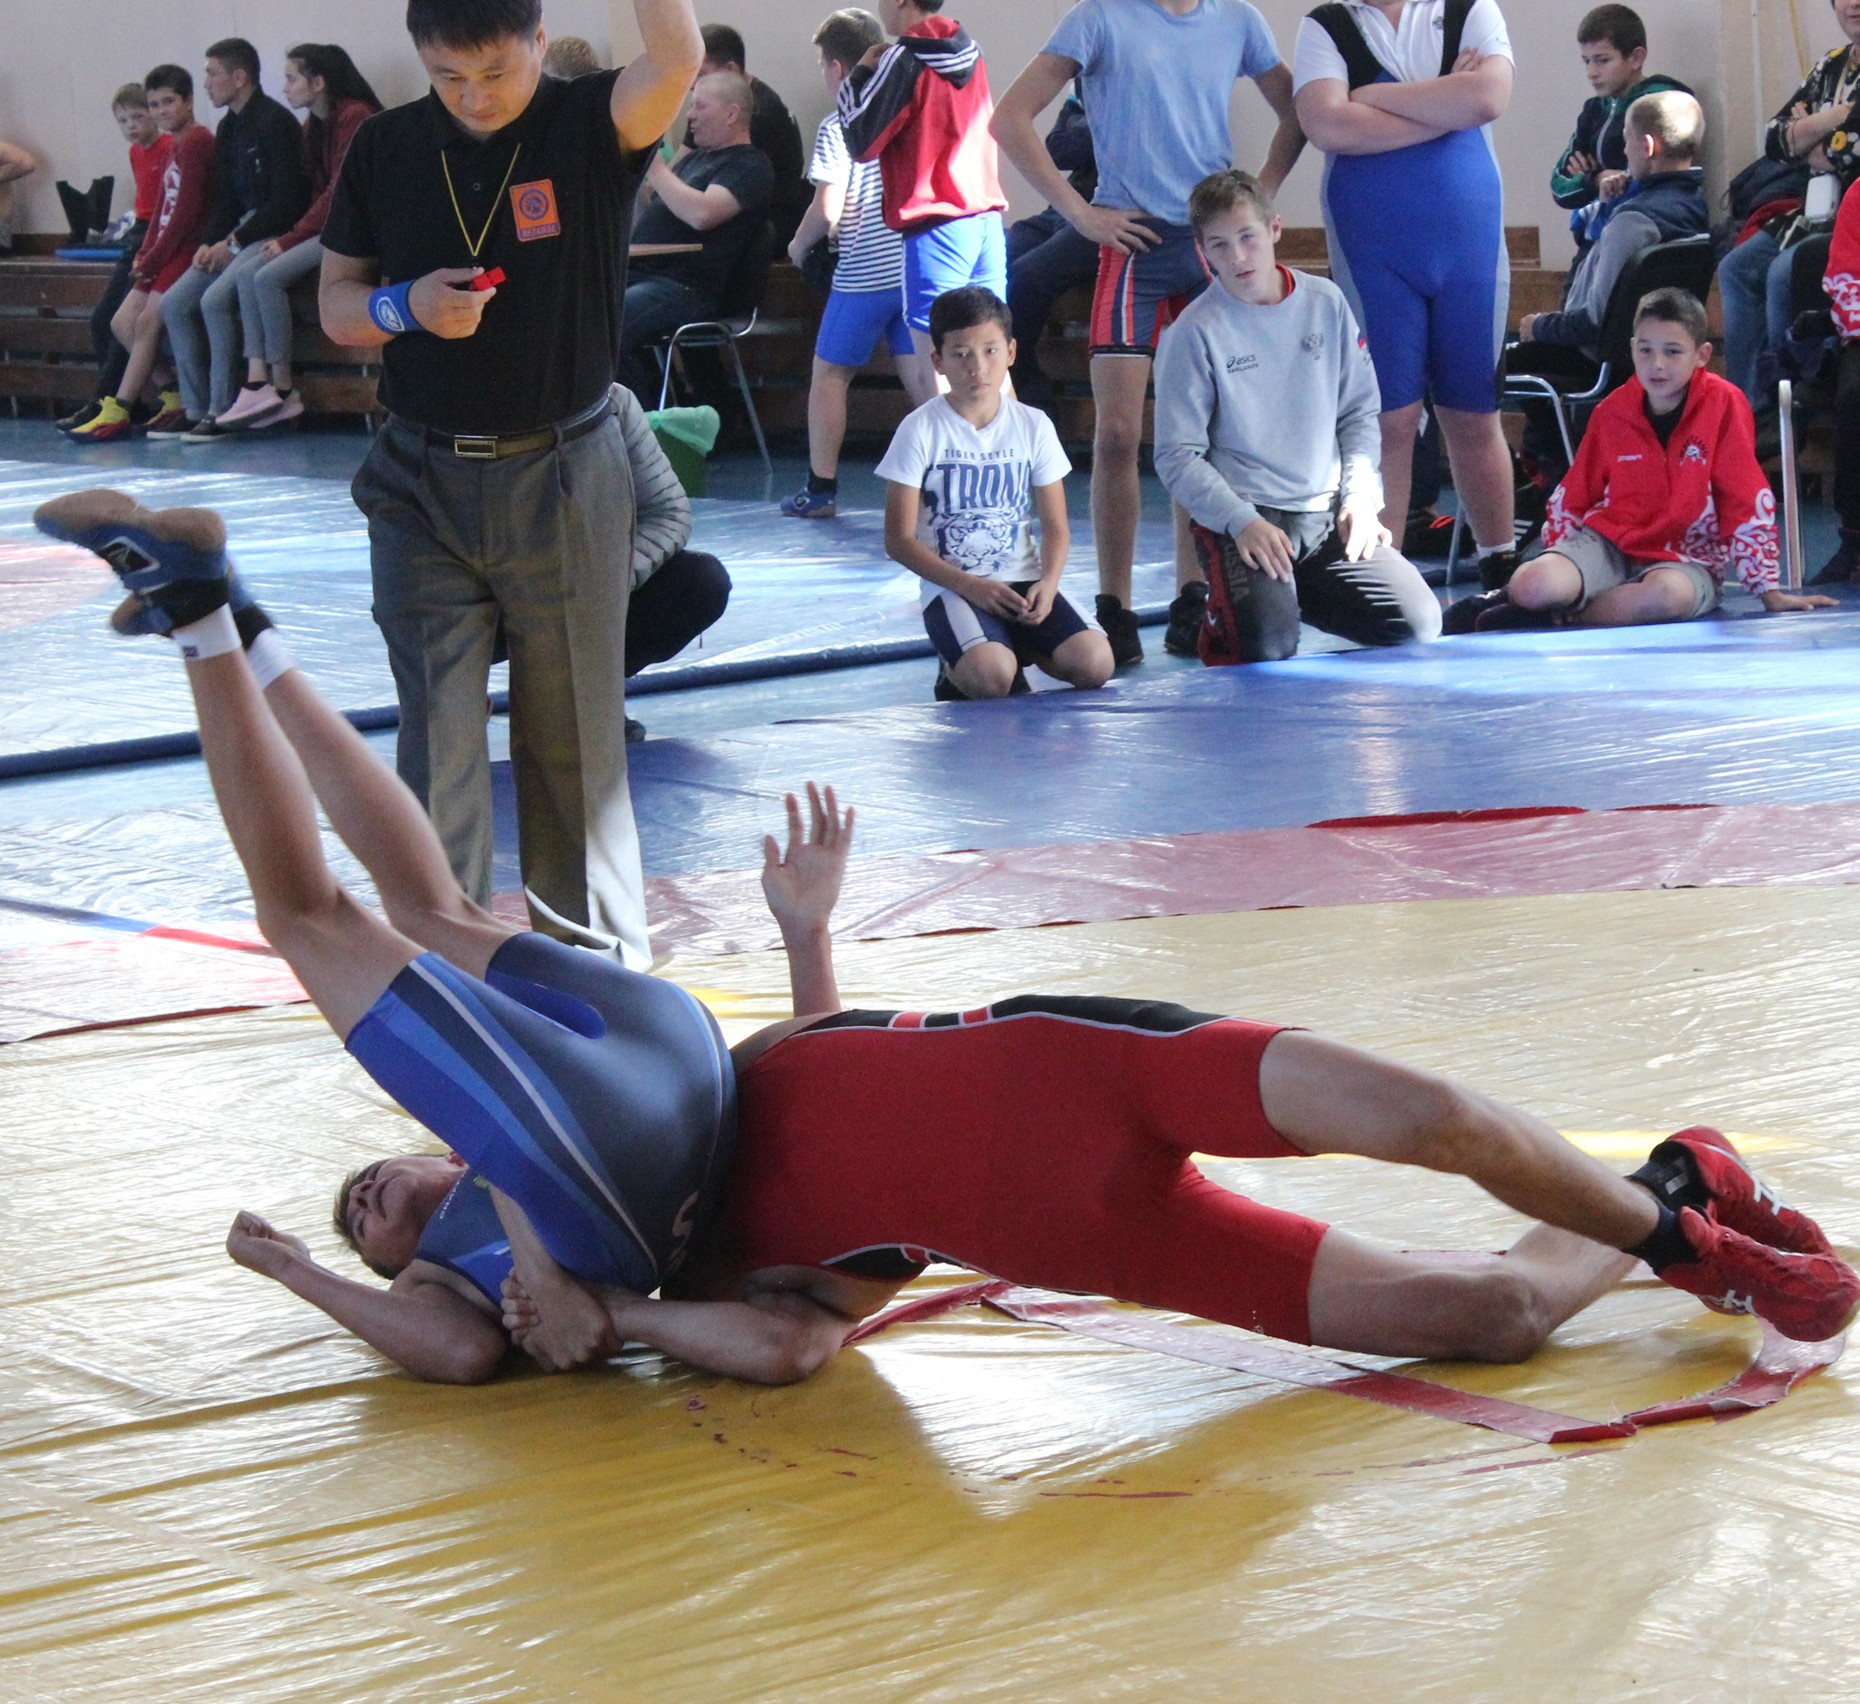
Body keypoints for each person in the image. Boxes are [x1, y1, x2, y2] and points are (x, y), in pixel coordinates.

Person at [50, 486, 1853, 1384]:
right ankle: (1667, 1189)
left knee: (1430, 1107)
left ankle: (1683, 1244)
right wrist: (604, 1304)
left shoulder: (599, 1146)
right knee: (1475, 1315)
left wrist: (802, 944)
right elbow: (805, 1322)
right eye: (380, 1215)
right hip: (1077, 1211)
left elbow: (811, 1094)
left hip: (1075, 1053)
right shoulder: (671, 1246)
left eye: (379, 1182)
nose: (379, 1203)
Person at [319, 0, 704, 971]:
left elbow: (679, 52)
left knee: (572, 740)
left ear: (539, 42)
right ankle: (439, 971)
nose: (475, 97)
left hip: (565, 471)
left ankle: (593, 973)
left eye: (496, 71)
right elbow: (335, 305)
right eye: (449, 77)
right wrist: (404, 307)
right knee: (436, 737)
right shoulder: (387, 149)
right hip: (419, 477)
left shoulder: (589, 124)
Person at [992, 0, 1303, 668]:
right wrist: (1080, 211)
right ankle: (1115, 606)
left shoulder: (1237, 19)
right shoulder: (1101, 17)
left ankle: (1196, 598)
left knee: (1204, 436)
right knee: (1118, 434)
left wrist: (1258, 198)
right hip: (1130, 247)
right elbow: (1009, 117)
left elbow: (1296, 109)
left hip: (1204, 251)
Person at [1153, 170, 1440, 664]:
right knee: (1266, 646)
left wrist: (1361, 498)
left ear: (1275, 230)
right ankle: (1246, 606)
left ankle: (1284, 592)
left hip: (1325, 514)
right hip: (1249, 518)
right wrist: (1241, 521)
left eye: (1248, 237)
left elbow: (1358, 413)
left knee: (1417, 623)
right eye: (1220, 246)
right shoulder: (1192, 333)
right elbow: (1177, 455)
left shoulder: (1325, 302)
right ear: (1202, 253)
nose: (1238, 257)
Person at [1444, 289, 1838, 633]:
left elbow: (1744, 495)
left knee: (1665, 597)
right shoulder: (1612, 411)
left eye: (1672, 351)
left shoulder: (1724, 404)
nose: (1658, 365)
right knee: (1533, 585)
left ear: (1701, 355)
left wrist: (1767, 590)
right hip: (1611, 545)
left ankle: (1555, 619)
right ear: (1632, 349)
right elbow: (1574, 493)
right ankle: (1523, 601)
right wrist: (1563, 556)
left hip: (1686, 559)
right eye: (1645, 350)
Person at [1293, 0, 1520, 594]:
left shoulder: (1469, 7)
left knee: (1473, 411)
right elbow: (1328, 126)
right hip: (1375, 254)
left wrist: (1373, 95)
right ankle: (1382, 576)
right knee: (1388, 417)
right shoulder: (1327, 25)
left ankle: (1501, 563)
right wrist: (1445, 103)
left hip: (1467, 247)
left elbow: (1488, 99)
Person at [877, 286, 1112, 700]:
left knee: (1096, 664)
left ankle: (1015, 644)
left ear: (1011, 352)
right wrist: (969, 586)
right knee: (990, 680)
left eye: (989, 351)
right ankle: (963, 663)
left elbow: (1056, 527)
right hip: (954, 586)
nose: (977, 368)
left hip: (1023, 582)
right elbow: (898, 540)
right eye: (961, 354)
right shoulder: (920, 429)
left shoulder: (1033, 424)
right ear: (939, 361)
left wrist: (1050, 583)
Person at [494, 383, 733, 738]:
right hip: (489, 587)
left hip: (584, 582)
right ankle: (451, 697)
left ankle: (583, 694)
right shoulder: (470, 408)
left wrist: (606, 580)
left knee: (702, 582)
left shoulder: (613, 402)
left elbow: (669, 511)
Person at [779, 7, 937, 521]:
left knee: (830, 374)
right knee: (921, 379)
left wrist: (799, 246)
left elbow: (828, 206)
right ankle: (945, 483)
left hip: (863, 273)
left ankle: (820, 487)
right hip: (909, 263)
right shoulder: (904, 112)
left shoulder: (839, 124)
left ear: (837, 68)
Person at [1510, 89, 1707, 489]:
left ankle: (1565, 480)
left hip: (1598, 361)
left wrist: (1539, 326)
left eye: (1625, 141)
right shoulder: (1694, 209)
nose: (1623, 153)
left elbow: (1592, 322)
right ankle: (1562, 477)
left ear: (1648, 145)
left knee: (1494, 366)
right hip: (1639, 359)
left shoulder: (1631, 223)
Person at [214, 45, 383, 434]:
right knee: (250, 272)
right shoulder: (314, 127)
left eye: (292, 78)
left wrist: (290, 240)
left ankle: (283, 386)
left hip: (359, 230)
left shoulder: (355, 117)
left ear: (319, 82)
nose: (284, 87)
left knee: (265, 276)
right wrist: (288, 237)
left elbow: (339, 194)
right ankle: (259, 377)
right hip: (329, 228)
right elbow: (314, 193)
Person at [838, 0, 1010, 372]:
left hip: (937, 228)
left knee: (942, 368)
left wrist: (859, 75)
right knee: (991, 366)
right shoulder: (972, 51)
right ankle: (1006, 433)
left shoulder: (904, 58)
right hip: (986, 222)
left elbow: (861, 141)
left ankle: (954, 434)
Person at [158, 39, 312, 444]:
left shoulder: (276, 123)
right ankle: (195, 408)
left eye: (212, 73)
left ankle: (221, 408)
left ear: (239, 77)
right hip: (237, 235)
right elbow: (224, 199)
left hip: (270, 234)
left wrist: (235, 241)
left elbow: (288, 200)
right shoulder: (227, 128)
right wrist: (208, 244)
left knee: (213, 301)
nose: (206, 83)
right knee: (175, 303)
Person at [1718, 0, 1860, 409]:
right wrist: (1839, 117)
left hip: (1852, 219)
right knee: (1735, 267)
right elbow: (1775, 140)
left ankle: (1789, 402)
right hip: (1812, 212)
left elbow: (1847, 152)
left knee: (1784, 272)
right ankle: (1748, 407)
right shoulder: (1830, 65)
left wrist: (1810, 133)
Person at [70, 66, 215, 445]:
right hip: (161, 248)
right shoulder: (172, 146)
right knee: (120, 322)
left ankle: (118, 407)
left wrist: (154, 258)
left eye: (168, 101)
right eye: (155, 104)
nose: (161, 110)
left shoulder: (197, 142)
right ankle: (173, 394)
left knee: (148, 322)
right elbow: (155, 212)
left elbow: (185, 214)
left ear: (188, 102)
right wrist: (146, 254)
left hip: (184, 249)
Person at [618, 69, 774, 401]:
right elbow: (659, 209)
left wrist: (656, 168)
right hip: (645, 276)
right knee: (586, 313)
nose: (689, 115)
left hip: (686, 287)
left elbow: (703, 214)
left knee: (607, 327)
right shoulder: (695, 161)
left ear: (731, 114)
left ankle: (640, 434)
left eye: (699, 106)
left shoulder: (749, 165)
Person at [58, 86, 173, 437]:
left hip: (157, 232)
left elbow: (165, 205)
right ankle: (138, 398)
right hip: (139, 231)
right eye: (123, 120)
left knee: (123, 319)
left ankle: (106, 400)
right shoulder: (136, 153)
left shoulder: (168, 148)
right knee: (101, 320)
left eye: (138, 117)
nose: (131, 126)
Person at [1550, 5, 1691, 255]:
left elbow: (1654, 174)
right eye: (1586, 61)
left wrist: (1602, 176)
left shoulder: (1660, 103)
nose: (1591, 72)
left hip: (1646, 234)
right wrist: (1595, 179)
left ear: (1636, 58)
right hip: (1595, 236)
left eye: (1602, 60)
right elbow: (1558, 186)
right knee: (1574, 293)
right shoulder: (1593, 111)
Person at [1002, 89, 1099, 405]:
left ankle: (1033, 405)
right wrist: (1101, 126)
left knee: (1025, 277)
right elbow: (1057, 149)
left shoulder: (1151, 79)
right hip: (1064, 205)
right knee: (992, 260)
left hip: (1108, 214)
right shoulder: (1086, 79)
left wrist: (1085, 125)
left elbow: (1131, 145)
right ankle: (1007, 384)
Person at [692, 24, 811, 243]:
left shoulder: (760, 114)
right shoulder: (707, 107)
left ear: (730, 70)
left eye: (700, 74)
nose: (692, 84)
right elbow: (684, 166)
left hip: (765, 222)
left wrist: (657, 172)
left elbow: (712, 203)